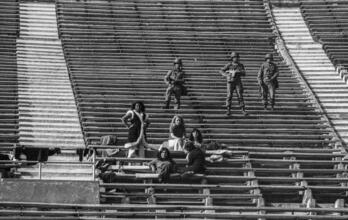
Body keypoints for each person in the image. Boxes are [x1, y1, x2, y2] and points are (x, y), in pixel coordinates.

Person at [220, 52, 247, 116]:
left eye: (237, 57)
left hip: (238, 81)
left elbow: (244, 73)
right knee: (229, 96)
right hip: (230, 82)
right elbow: (221, 71)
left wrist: (239, 72)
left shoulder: (240, 65)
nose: (236, 59)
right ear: (232, 58)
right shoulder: (229, 65)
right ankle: (228, 109)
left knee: (240, 96)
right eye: (235, 57)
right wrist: (227, 75)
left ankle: (243, 109)